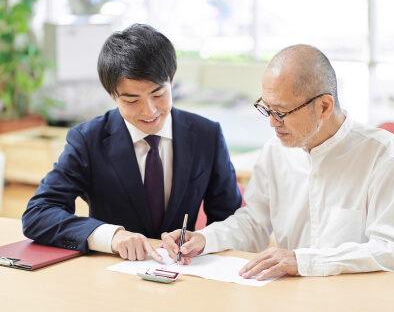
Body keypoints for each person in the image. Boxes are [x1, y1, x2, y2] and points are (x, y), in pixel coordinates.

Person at [161, 44, 394, 278]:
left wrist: (304, 261)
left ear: (324, 107)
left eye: (281, 112)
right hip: (290, 295)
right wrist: (206, 238)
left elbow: (391, 249)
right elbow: (254, 223)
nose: (272, 123)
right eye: (266, 108)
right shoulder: (276, 150)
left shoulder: (383, 154)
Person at [22, 24, 242, 262]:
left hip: (185, 273)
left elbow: (231, 219)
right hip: (111, 275)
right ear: (112, 95)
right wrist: (111, 236)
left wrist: (205, 239)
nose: (149, 111)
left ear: (172, 80)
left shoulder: (206, 135)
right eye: (131, 99)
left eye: (158, 94)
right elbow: (38, 214)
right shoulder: (88, 139)